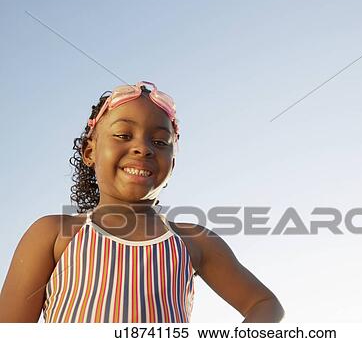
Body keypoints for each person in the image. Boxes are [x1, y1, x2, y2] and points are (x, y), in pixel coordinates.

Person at [0, 81, 284, 323]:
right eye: (123, 135)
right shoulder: (55, 234)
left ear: (171, 164)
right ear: (90, 151)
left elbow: (265, 304)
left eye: (160, 142)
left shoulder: (194, 242)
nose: (143, 148)